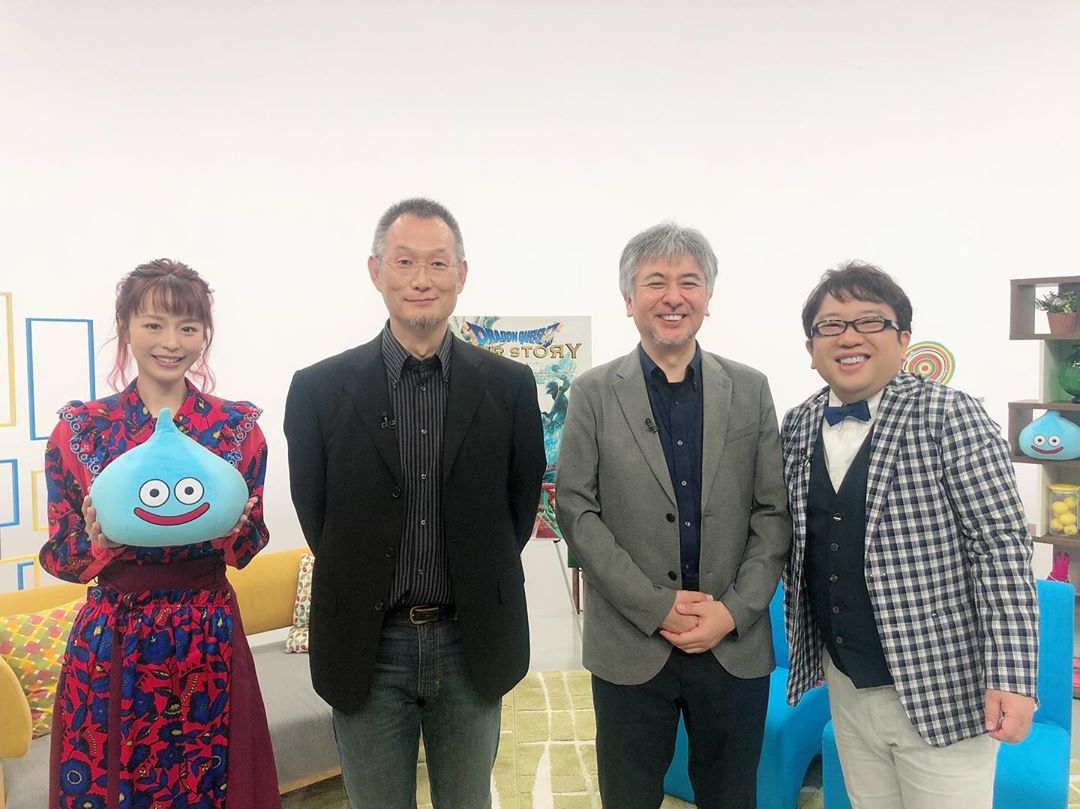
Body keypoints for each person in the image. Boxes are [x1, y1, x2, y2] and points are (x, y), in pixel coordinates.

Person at [283, 197, 546, 808]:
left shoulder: (509, 387)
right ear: (376, 272)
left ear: (462, 273)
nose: (421, 279)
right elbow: (316, 515)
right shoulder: (319, 389)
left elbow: (518, 509)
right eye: (404, 262)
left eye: (437, 262)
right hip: (367, 644)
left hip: (471, 639)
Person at [781, 261, 1037, 808]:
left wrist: (1013, 677)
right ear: (811, 348)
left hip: (943, 685)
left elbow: (1000, 548)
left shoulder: (951, 415)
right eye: (831, 325)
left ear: (903, 340)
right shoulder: (799, 423)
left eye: (870, 321)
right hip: (846, 682)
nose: (850, 336)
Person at [555, 222, 791, 809]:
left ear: (708, 298)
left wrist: (732, 611)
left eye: (689, 282)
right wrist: (655, 605)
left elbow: (772, 512)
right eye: (655, 282)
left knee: (732, 795)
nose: (673, 297)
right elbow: (576, 509)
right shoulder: (592, 393)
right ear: (629, 299)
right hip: (630, 642)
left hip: (731, 644)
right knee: (628, 797)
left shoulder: (750, 388)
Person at [41, 259, 280, 809]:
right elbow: (59, 556)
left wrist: (235, 531)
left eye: (187, 328)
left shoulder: (236, 430)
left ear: (204, 335)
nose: (171, 342)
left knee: (210, 783)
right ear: (125, 327)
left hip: (207, 631)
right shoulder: (81, 430)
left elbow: (249, 546)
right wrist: (98, 544)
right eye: (153, 324)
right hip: (114, 634)